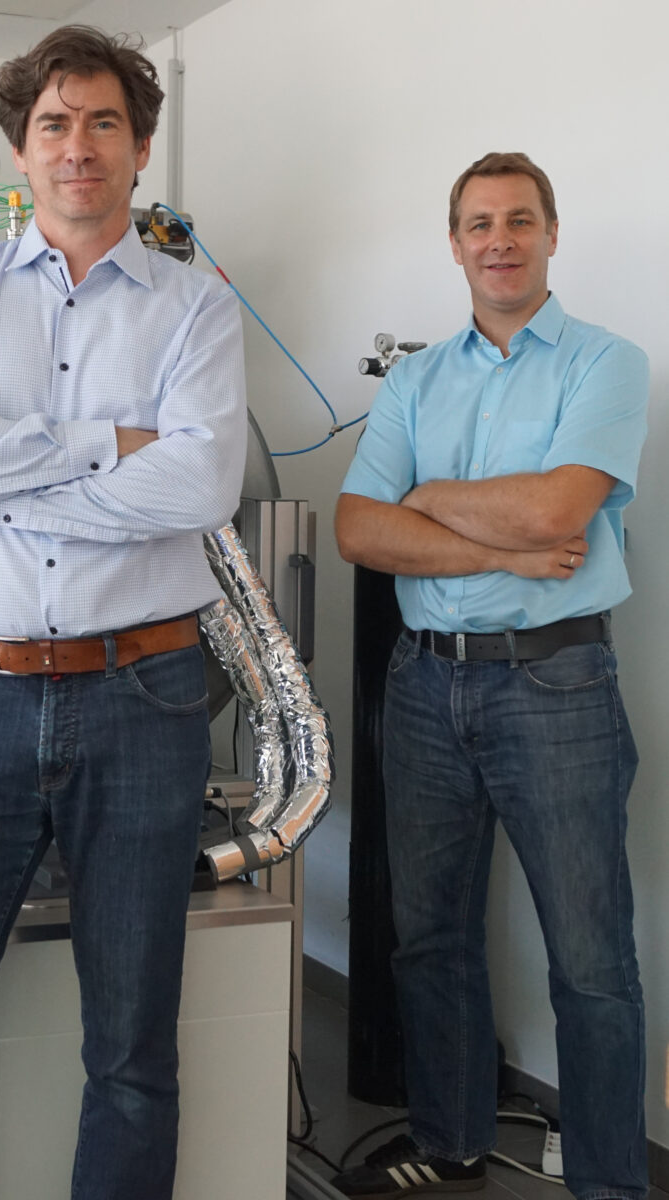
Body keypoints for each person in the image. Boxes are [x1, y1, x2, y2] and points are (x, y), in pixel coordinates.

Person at [0, 24, 247, 1200]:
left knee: (130, 1051)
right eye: (53, 125)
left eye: (103, 124)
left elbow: (202, 484)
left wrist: (16, 474)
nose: (78, 146)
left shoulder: (196, 311)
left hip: (145, 696)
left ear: (139, 151)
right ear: (20, 153)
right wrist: (106, 453)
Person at [333, 152, 648, 1200]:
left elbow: (561, 512)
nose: (498, 240)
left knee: (589, 963)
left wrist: (429, 494)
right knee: (429, 939)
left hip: (555, 688)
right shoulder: (417, 378)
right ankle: (452, 1137)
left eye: (518, 219)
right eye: (477, 223)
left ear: (551, 233)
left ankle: (607, 1180)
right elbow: (355, 528)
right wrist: (501, 546)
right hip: (424, 686)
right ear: (456, 241)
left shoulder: (605, 364)